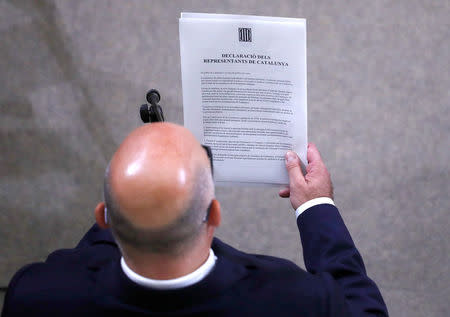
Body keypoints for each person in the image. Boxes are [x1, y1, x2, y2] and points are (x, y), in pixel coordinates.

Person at [2, 123, 388, 316]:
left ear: (103, 217)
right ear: (215, 215)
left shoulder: (35, 295)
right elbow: (364, 308)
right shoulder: (295, 299)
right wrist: (316, 205)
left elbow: (94, 255)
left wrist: (138, 201)